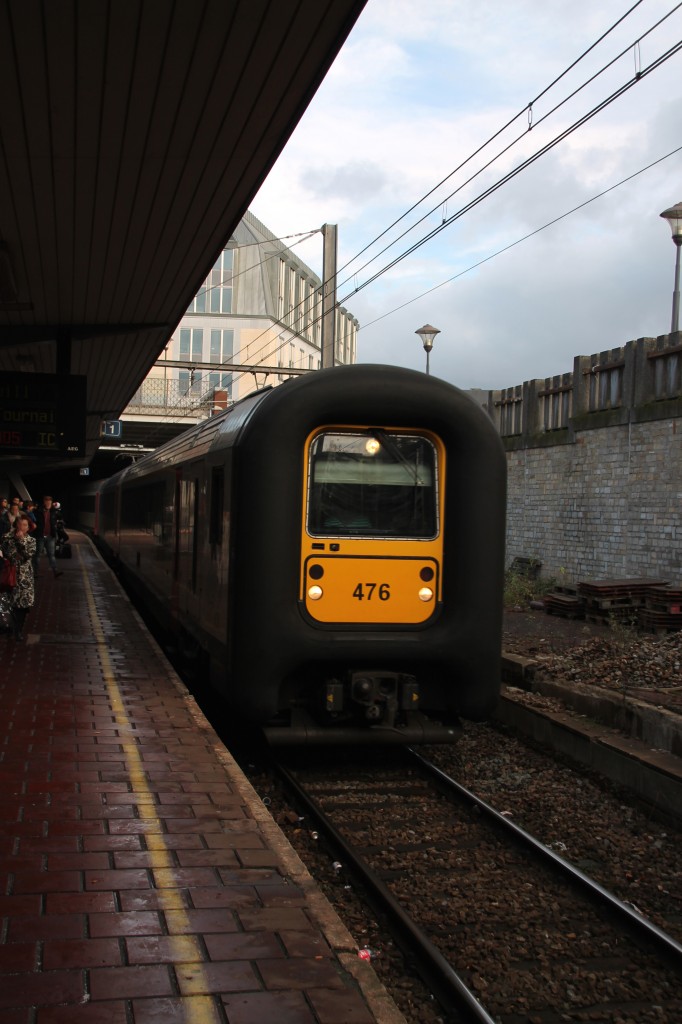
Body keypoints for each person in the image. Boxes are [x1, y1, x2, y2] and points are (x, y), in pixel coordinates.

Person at [2, 513, 36, 641]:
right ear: (16, 525)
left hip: (24, 578)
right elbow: (8, 554)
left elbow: (28, 554)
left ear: (28, 527)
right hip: (9, 574)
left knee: (22, 606)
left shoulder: (31, 541)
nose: (22, 527)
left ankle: (18, 631)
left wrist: (21, 542)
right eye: (20, 524)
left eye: (25, 525)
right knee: (9, 603)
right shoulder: (6, 538)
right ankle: (10, 628)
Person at [33, 495, 63, 579]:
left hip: (50, 536)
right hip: (40, 535)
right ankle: (35, 572)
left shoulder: (54, 512)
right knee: (37, 554)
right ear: (44, 502)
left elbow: (60, 518)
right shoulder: (38, 511)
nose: (48, 503)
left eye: (49, 502)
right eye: (46, 501)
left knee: (51, 554)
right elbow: (34, 520)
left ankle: (55, 571)